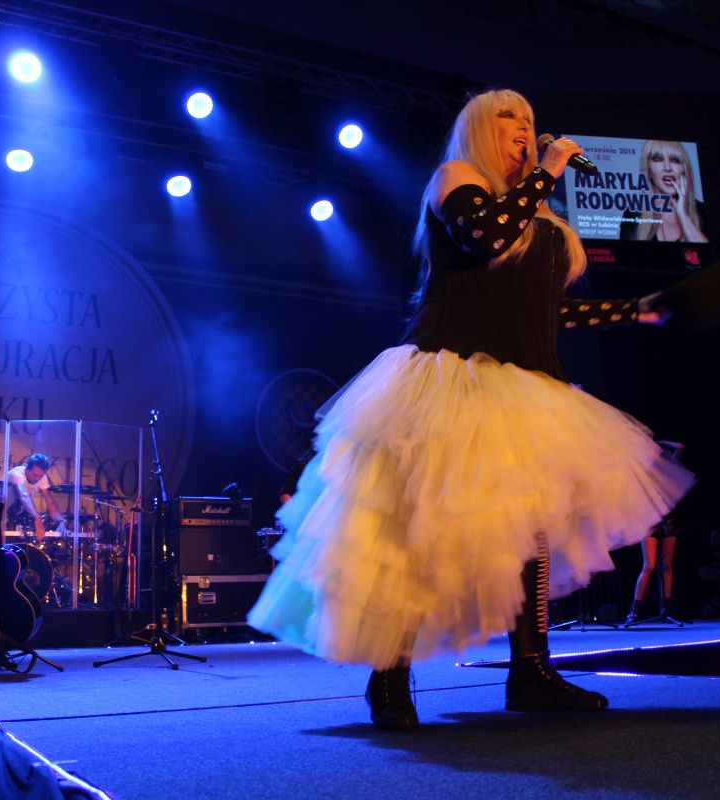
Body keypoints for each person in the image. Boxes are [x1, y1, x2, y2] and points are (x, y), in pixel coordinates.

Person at [248, 89, 694, 729]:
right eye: (509, 119)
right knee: (415, 530)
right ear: (480, 129)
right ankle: (390, 676)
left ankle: (532, 672)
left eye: (530, 121)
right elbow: (484, 236)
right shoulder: (457, 179)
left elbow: (546, 311)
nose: (525, 130)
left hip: (524, 388)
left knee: (531, 531)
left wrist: (634, 310)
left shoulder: (539, 215)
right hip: (448, 379)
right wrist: (549, 170)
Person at [626, 440, 686, 623]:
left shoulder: (668, 467)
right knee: (649, 565)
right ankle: (635, 611)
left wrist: (662, 442)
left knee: (667, 564)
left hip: (669, 519)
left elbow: (680, 447)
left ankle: (666, 608)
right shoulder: (640, 471)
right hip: (649, 520)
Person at [622, 140, 708, 244]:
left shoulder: (702, 211)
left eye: (675, 160)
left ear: (684, 169)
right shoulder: (633, 214)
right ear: (649, 171)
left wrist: (683, 215)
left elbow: (707, 252)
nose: (667, 168)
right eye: (658, 159)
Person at [6, 453, 64, 542]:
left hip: (18, 514)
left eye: (41, 476)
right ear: (27, 468)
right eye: (35, 475)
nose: (38, 479)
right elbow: (23, 495)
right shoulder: (16, 474)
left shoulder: (41, 477)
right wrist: (38, 518)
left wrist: (61, 521)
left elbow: (50, 502)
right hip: (1, 513)